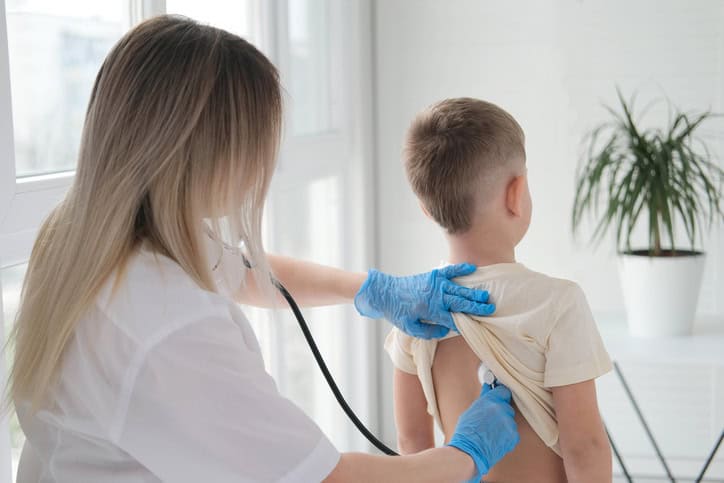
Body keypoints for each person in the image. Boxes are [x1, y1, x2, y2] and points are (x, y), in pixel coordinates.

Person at [4, 17, 520, 483]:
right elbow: (326, 480)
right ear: (209, 155)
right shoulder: (165, 328)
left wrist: (371, 289)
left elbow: (244, 273)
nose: (266, 167)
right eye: (259, 143)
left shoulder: (91, 233)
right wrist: (467, 454)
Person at [385, 98, 613, 482]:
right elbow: (584, 447)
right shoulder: (557, 303)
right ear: (516, 193)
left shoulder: (413, 311)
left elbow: (412, 442)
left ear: (426, 208)